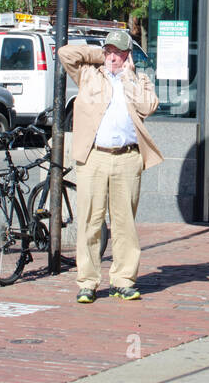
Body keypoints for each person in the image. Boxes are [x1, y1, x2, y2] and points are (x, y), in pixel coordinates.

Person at [59, 30, 162, 303]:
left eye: (119, 52)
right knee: (90, 221)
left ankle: (123, 280)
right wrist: (100, 55)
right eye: (109, 51)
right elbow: (65, 54)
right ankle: (88, 282)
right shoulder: (90, 74)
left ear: (129, 55)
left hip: (128, 158)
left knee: (124, 223)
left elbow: (148, 106)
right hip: (94, 157)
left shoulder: (139, 80)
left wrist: (128, 75)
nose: (113, 57)